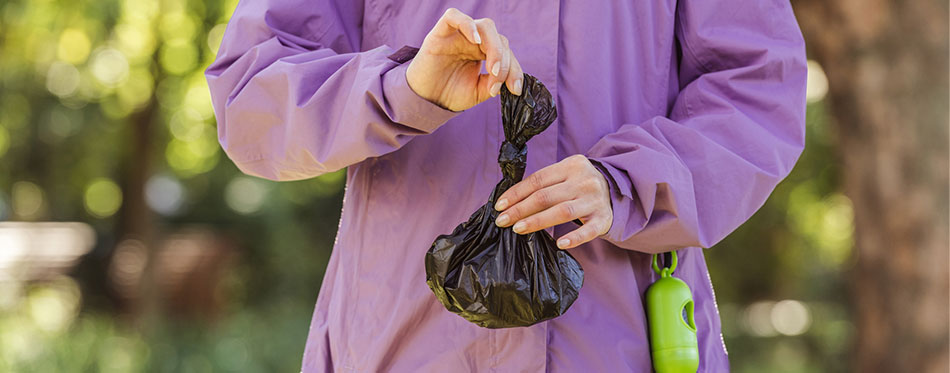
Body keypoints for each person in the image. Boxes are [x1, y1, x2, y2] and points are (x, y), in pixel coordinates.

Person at [206, 0, 806, 371]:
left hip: (618, 344)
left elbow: (757, 89)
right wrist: (402, 89)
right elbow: (250, 92)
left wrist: (628, 182)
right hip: (403, 345)